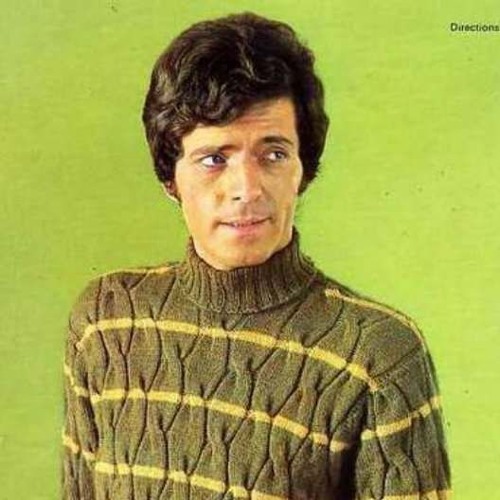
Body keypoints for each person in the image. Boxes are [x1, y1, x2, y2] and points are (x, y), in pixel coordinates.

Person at [61, 12, 451, 500]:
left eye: (273, 154)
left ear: (303, 169)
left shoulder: (378, 355)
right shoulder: (106, 322)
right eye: (214, 159)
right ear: (170, 179)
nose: (246, 188)